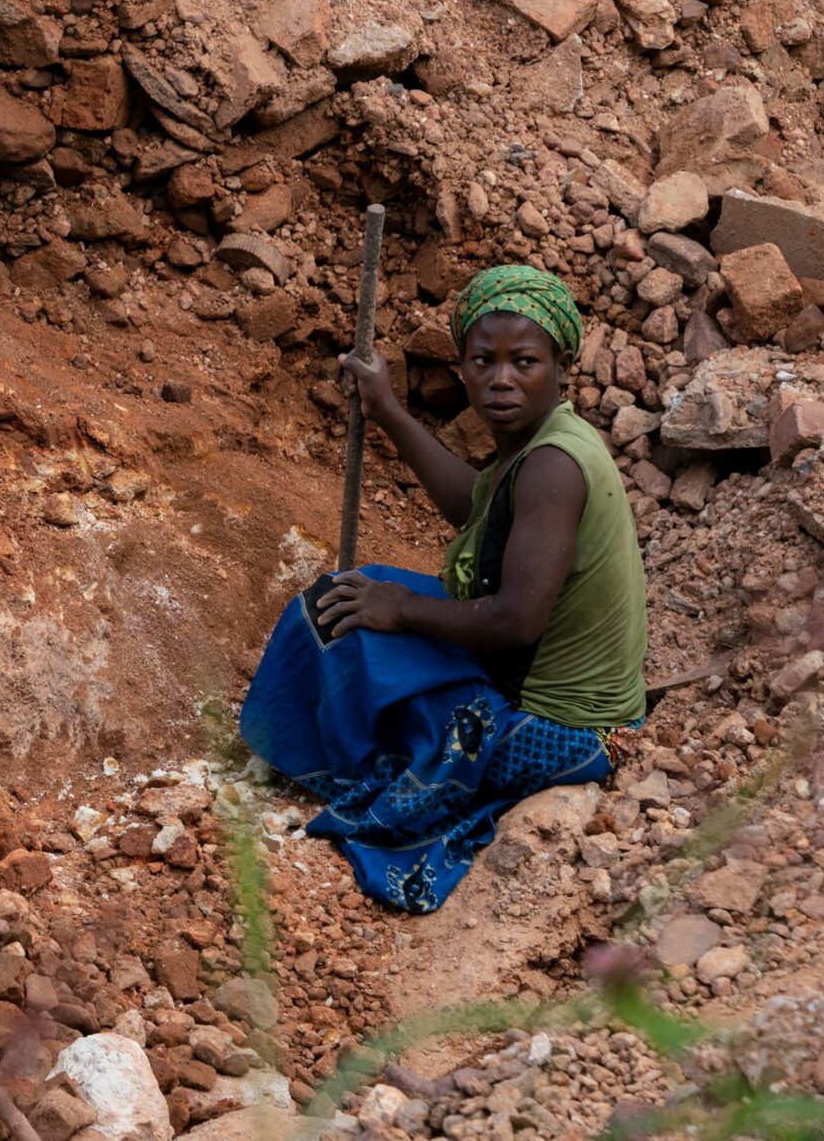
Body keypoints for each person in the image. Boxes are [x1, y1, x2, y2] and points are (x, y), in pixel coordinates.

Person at [238, 264, 649, 911]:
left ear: (562, 366)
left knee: (357, 631)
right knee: (345, 599)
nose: (502, 378)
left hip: (566, 730)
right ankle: (325, 745)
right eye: (484, 359)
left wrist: (403, 610)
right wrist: (389, 410)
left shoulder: (553, 466)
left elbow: (516, 622)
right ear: (462, 368)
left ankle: (350, 773)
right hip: (528, 678)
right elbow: (473, 505)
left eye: (525, 360)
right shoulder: (535, 443)